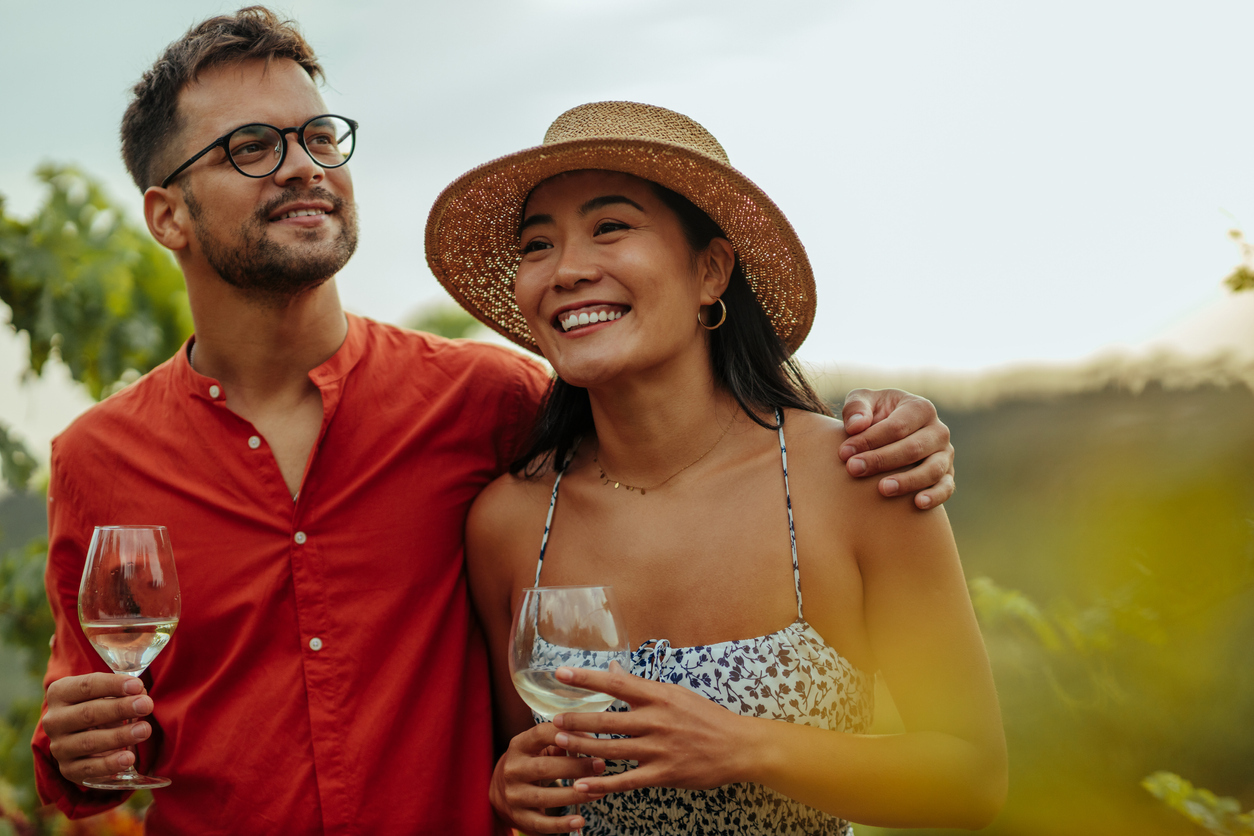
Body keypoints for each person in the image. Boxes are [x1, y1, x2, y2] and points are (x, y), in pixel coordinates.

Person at [33, 10, 957, 835]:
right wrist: (72, 752)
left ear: (711, 269)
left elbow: (665, 420)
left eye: (318, 136)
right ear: (166, 215)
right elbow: (89, 729)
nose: (306, 167)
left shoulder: (488, 404)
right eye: (252, 148)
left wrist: (897, 427)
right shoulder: (98, 458)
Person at [427, 101, 1007, 834]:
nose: (567, 269)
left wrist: (746, 745)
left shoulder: (853, 477)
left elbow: (973, 778)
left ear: (711, 270)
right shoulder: (509, 522)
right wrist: (513, 790)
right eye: (537, 245)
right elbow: (526, 761)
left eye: (610, 227)